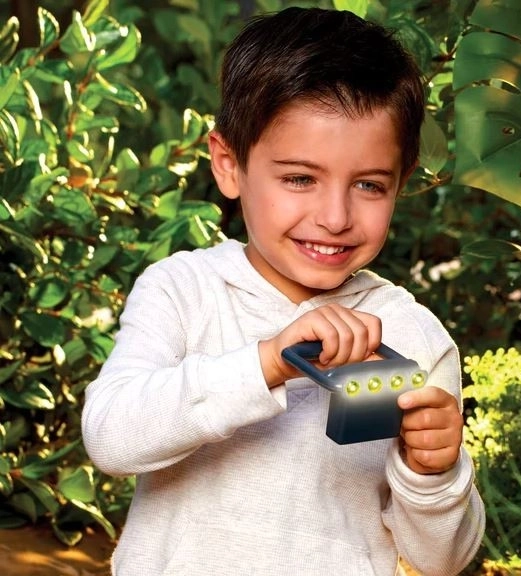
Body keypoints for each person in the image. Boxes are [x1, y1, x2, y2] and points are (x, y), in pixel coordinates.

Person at [82, 7, 485, 576]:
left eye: (370, 185)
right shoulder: (184, 291)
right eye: (300, 178)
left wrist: (433, 473)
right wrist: (268, 362)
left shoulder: (414, 337)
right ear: (229, 165)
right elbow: (111, 437)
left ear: (402, 179)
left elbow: (442, 560)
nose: (335, 217)